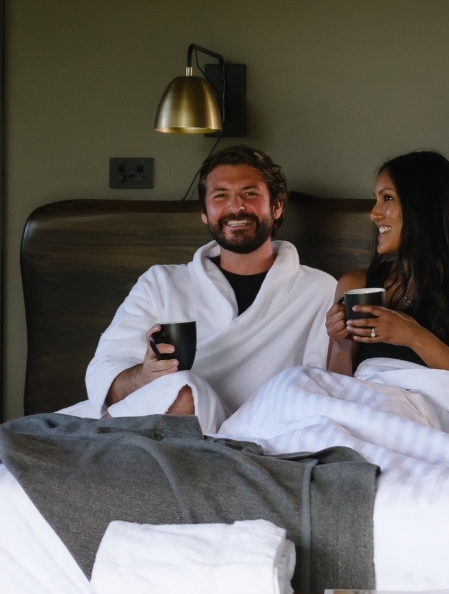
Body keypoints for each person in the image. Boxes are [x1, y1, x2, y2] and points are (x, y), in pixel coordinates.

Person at [83, 145, 337, 424]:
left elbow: (326, 386)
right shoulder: (161, 283)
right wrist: (144, 376)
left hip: (261, 429)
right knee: (182, 391)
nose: (236, 207)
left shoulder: (318, 290)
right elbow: (104, 375)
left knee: (186, 392)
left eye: (250, 194)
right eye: (221, 195)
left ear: (276, 206)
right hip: (156, 425)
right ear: (204, 212)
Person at [326, 151, 449, 386]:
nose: (373, 214)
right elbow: (333, 390)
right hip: (364, 405)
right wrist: (341, 346)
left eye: (387, 198)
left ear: (424, 206)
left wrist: (415, 337)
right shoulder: (355, 285)